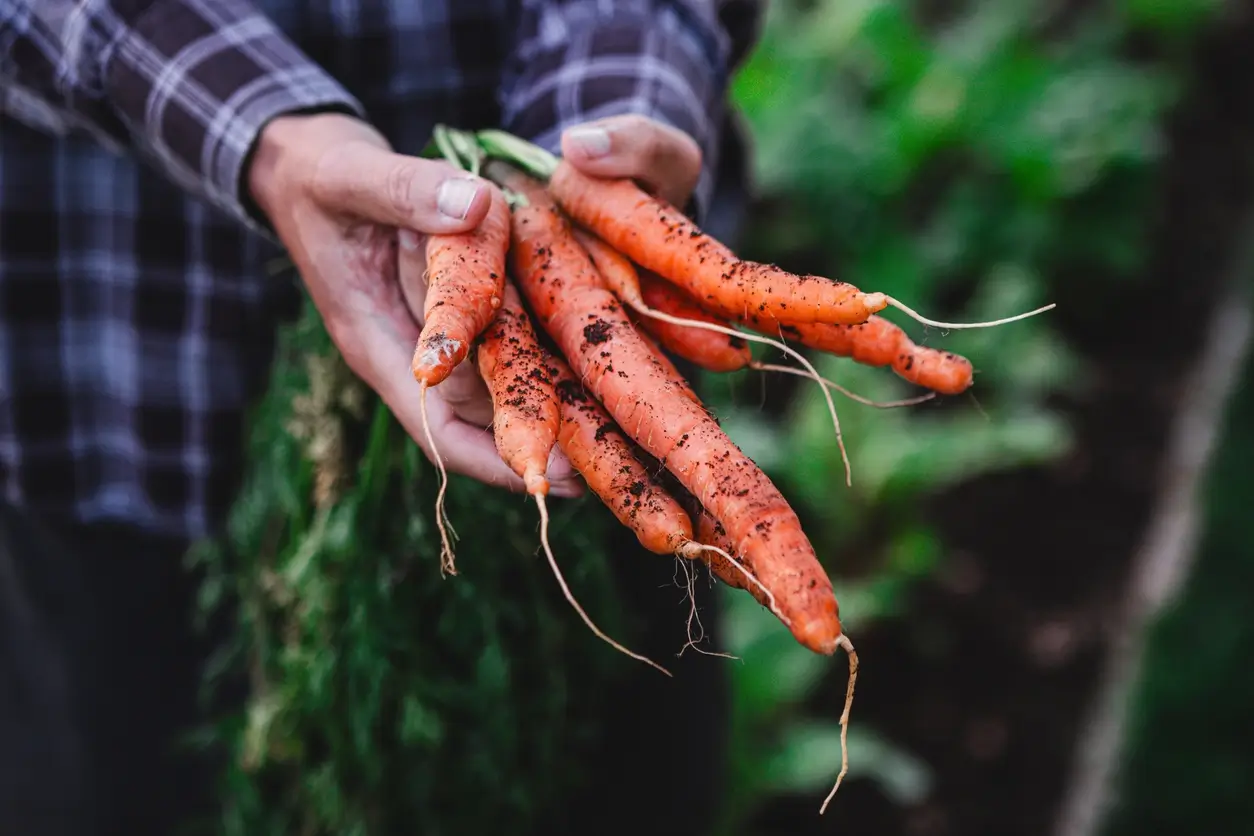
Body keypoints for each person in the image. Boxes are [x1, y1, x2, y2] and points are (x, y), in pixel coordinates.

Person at [1, 0, 762, 833]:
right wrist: (273, 137)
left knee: (615, 770)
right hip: (111, 399)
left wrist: (600, 123)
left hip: (595, 379)